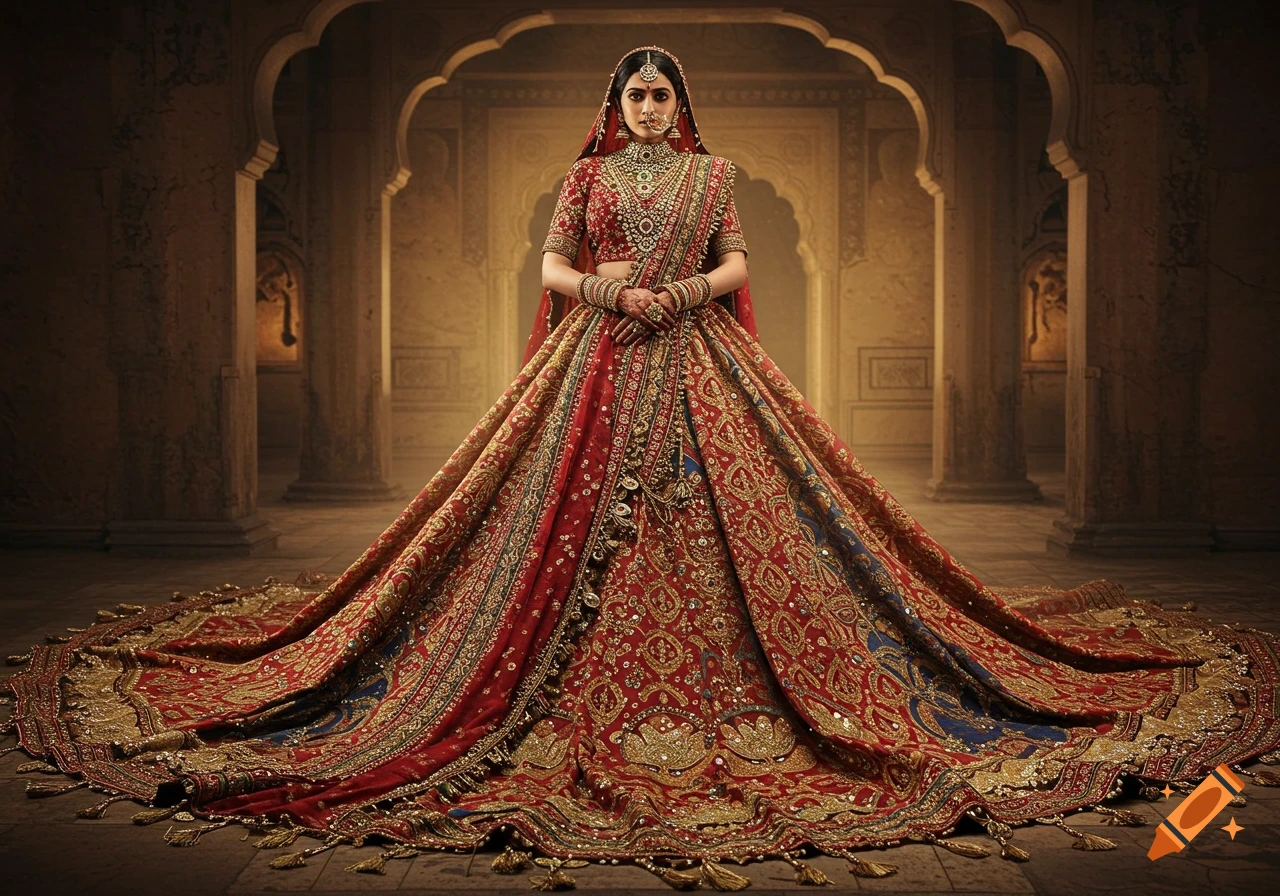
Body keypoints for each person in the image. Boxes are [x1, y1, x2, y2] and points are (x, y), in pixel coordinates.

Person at [5, 46, 1280, 889]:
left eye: (663, 95)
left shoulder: (716, 177)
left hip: (699, 354)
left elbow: (738, 265)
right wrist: (604, 285)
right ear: (614, 109)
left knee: (776, 519)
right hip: (598, 359)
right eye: (635, 97)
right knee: (520, 519)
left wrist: (684, 291)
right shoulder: (583, 179)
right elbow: (548, 273)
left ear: (684, 105)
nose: (649, 111)